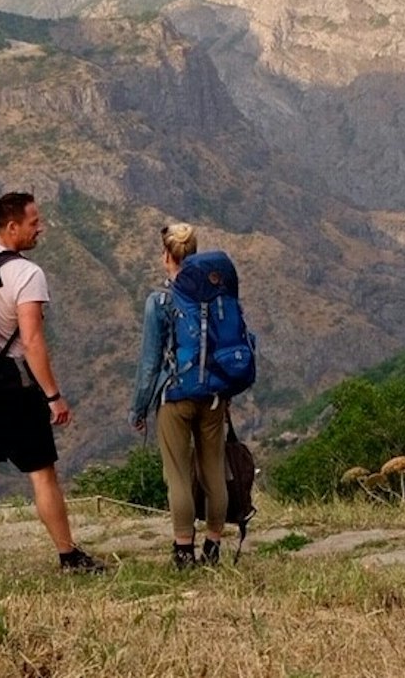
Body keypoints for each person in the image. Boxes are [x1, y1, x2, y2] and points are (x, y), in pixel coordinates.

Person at [0, 191, 108, 575]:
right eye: (34, 222)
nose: (41, 228)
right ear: (12, 226)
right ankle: (68, 555)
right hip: (14, 387)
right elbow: (33, 341)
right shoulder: (27, 274)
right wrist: (54, 396)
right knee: (42, 472)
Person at [130, 221, 229, 568]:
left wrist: (139, 408)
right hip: (214, 395)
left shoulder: (160, 301)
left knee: (178, 475)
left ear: (166, 256)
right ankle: (213, 546)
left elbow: (149, 363)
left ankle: (183, 550)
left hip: (174, 395)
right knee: (214, 469)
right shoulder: (217, 294)